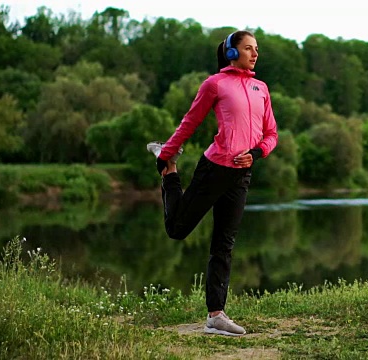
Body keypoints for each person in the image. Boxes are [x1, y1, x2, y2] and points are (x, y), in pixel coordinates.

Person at [146, 30, 278, 336]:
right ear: (232, 53)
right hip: (214, 168)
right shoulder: (215, 84)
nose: (255, 54)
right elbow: (190, 121)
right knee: (177, 230)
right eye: (248, 49)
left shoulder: (261, 88)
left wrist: (256, 153)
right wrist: (165, 155)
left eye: (256, 49)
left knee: (224, 244)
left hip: (241, 174)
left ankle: (216, 315)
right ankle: (171, 171)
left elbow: (271, 134)